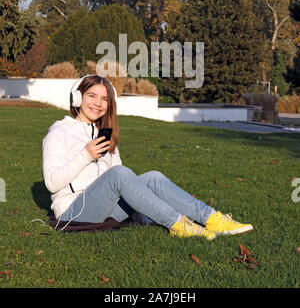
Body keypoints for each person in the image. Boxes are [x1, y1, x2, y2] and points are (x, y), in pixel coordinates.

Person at [42, 74, 253, 239]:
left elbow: (121, 184)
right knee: (120, 174)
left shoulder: (104, 133)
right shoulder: (59, 132)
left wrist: (142, 210)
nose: (98, 103)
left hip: (104, 210)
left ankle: (212, 218)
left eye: (104, 99)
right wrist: (85, 155)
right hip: (73, 213)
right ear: (78, 98)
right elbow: (52, 183)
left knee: (153, 177)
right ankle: (179, 225)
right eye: (92, 96)